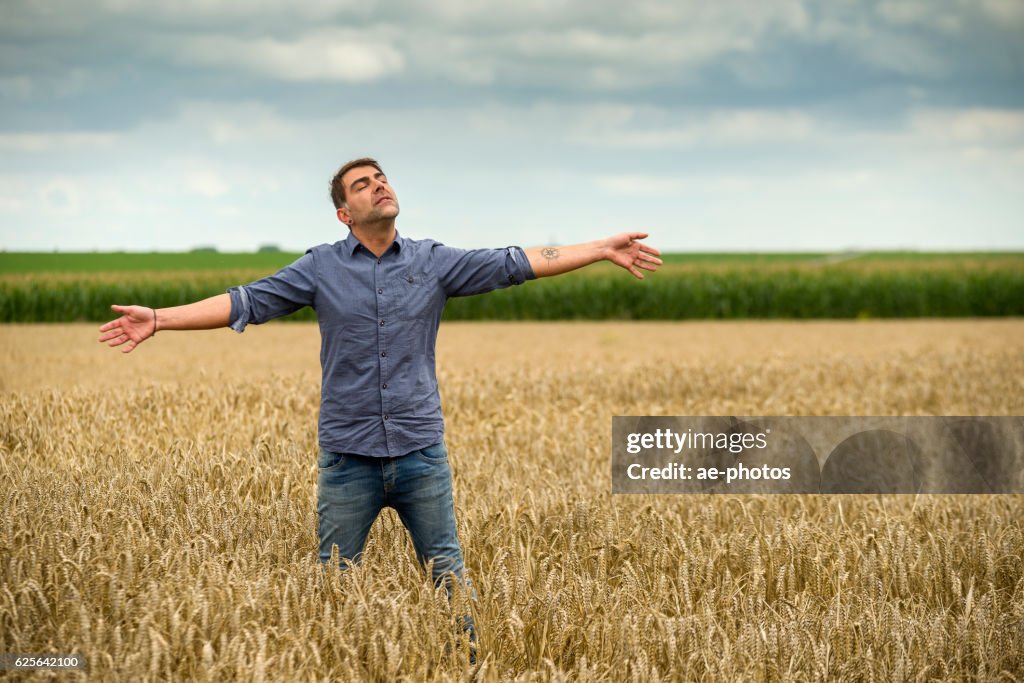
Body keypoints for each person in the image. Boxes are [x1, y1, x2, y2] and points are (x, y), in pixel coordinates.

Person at [98, 157, 662, 663]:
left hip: (421, 453)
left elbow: (518, 261)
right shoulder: (320, 268)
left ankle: (466, 667)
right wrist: (161, 317)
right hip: (348, 458)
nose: (379, 187)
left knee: (448, 575)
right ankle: (335, 667)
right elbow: (246, 301)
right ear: (345, 213)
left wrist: (599, 249)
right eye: (363, 185)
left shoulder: (434, 261)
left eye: (382, 178)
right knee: (334, 584)